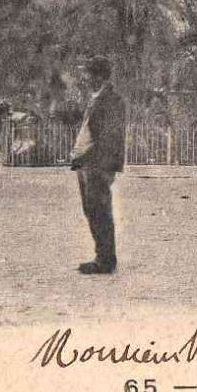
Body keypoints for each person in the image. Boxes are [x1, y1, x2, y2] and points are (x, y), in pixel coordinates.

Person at [68, 57, 126, 275]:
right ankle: (101, 256)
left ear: (98, 75)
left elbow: (113, 137)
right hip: (86, 162)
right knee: (91, 210)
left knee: (100, 211)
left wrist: (108, 168)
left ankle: (105, 260)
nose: (85, 77)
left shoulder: (111, 100)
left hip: (98, 164)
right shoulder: (96, 98)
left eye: (88, 74)